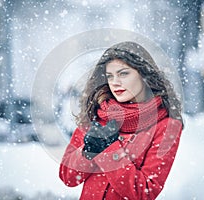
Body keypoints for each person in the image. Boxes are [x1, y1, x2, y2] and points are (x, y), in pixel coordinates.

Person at [59, 41, 184, 200]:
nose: (115, 82)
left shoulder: (166, 126)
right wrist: (88, 152)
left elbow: (145, 192)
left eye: (123, 73)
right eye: (110, 76)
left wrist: (110, 150)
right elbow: (67, 177)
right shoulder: (98, 113)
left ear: (144, 74)